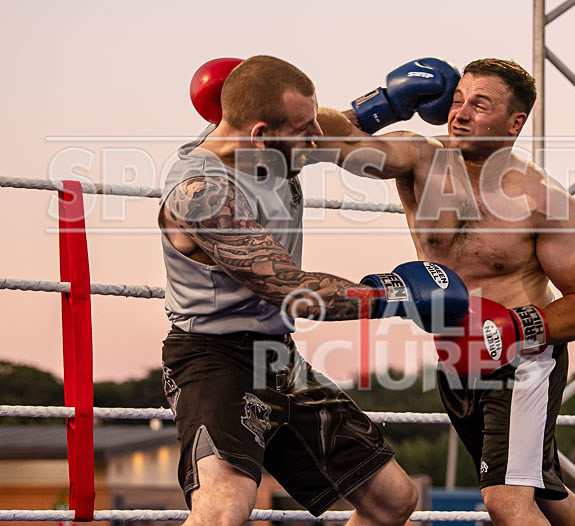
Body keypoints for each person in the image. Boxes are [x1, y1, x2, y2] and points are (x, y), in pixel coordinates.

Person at [159, 55, 470, 526]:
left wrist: (387, 105)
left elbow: (341, 126)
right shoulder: (203, 194)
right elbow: (291, 289)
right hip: (212, 359)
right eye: (303, 131)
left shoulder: (277, 138)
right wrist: (394, 294)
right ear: (261, 135)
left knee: (393, 499)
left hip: (278, 357)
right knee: (222, 512)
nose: (315, 140)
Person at [315, 58, 575, 525]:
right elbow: (326, 141)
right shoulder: (419, 158)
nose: (461, 114)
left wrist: (512, 327)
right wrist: (382, 106)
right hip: (455, 358)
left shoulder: (543, 202)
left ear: (516, 122)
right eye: (457, 100)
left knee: (506, 500)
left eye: (480, 105)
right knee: (544, 490)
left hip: (523, 362)